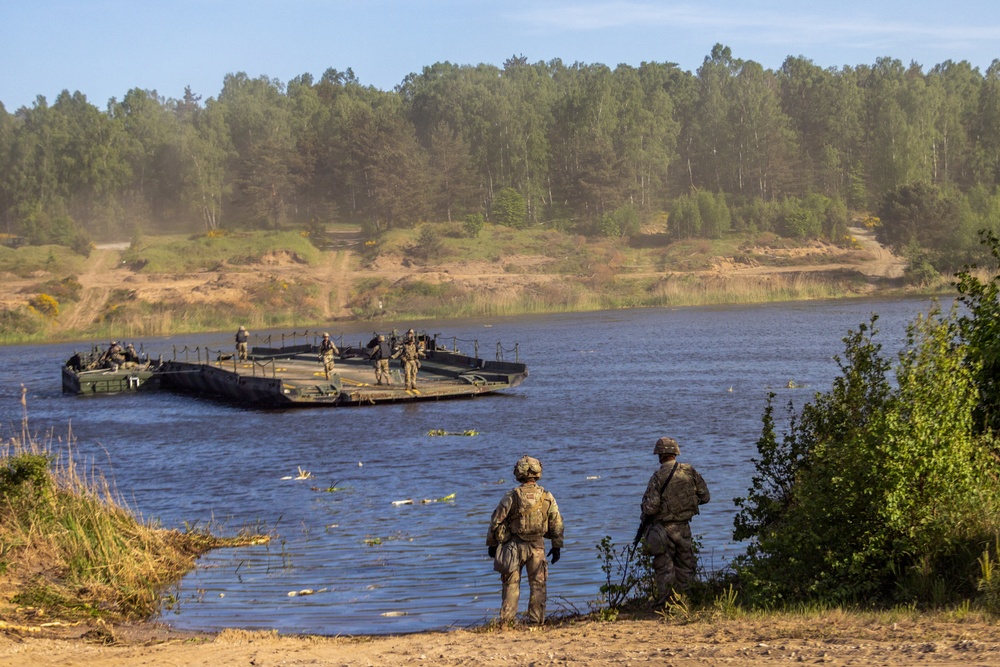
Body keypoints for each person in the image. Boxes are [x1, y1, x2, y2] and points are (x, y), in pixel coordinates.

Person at [486, 455, 564, 625]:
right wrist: (556, 546)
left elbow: (496, 520)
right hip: (537, 545)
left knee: (511, 584)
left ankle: (506, 622)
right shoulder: (546, 496)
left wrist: (492, 544)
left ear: (518, 473)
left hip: (513, 546)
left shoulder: (512, 496)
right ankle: (536, 621)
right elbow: (556, 523)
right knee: (538, 584)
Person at [637, 436, 710, 603]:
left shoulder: (657, 477)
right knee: (686, 565)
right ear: (676, 453)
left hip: (663, 530)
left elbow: (651, 508)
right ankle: (687, 601)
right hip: (684, 528)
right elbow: (705, 497)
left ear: (660, 456)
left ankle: (668, 603)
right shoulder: (689, 471)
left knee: (664, 567)